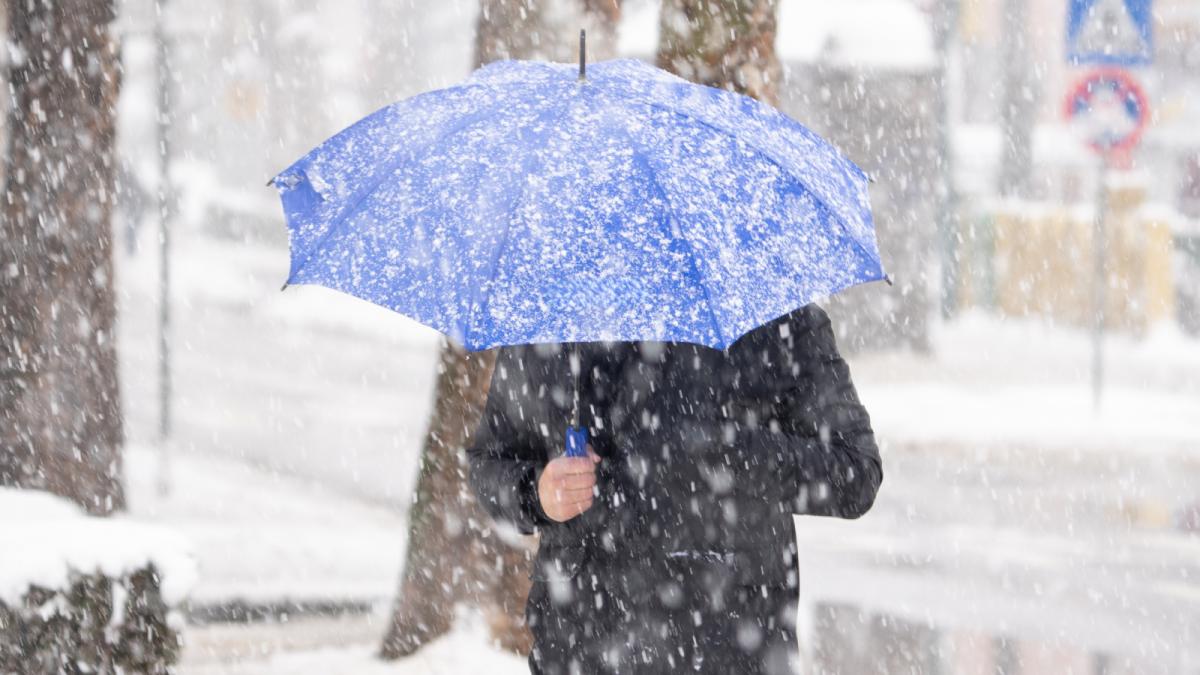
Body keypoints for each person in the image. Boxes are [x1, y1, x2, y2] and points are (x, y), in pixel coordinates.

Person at [467, 304, 881, 674]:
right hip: (580, 640)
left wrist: (730, 451)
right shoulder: (557, 314)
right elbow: (489, 462)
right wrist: (536, 493)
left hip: (729, 641)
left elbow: (855, 473)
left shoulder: (773, 316)